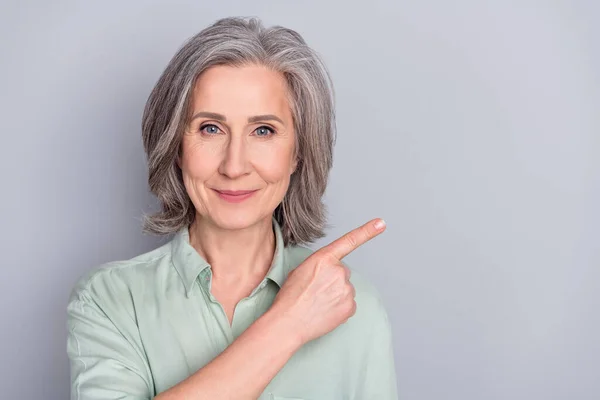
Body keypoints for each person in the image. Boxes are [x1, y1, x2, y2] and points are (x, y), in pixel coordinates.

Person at [66, 16, 398, 400]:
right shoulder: (109, 299)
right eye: (210, 128)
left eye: (264, 131)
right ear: (176, 146)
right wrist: (288, 325)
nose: (234, 165)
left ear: (297, 154)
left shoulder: (356, 304)